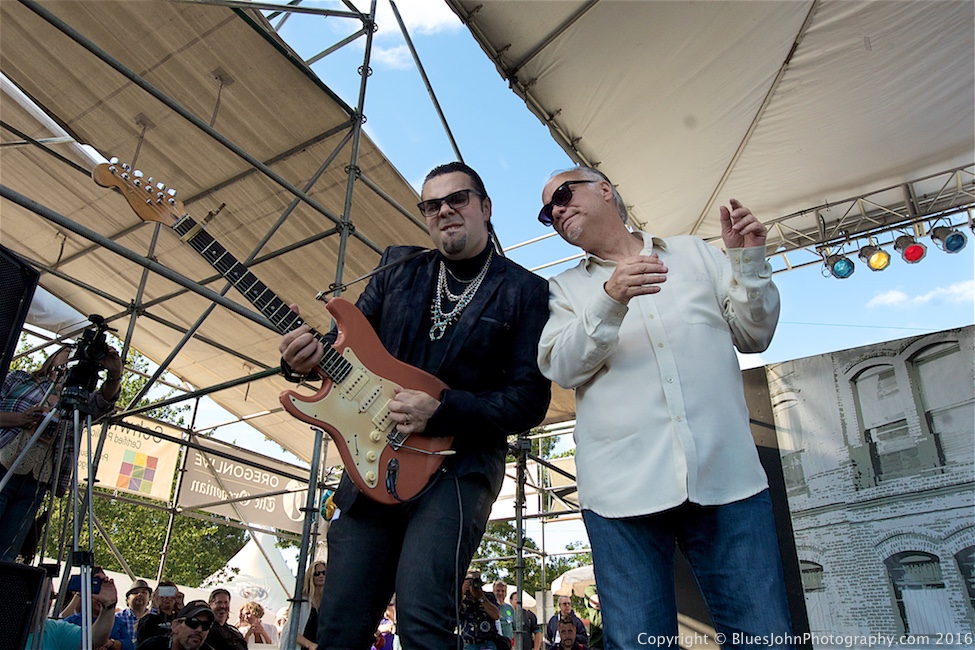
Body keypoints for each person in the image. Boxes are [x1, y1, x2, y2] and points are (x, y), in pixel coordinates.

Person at [279, 161, 551, 648]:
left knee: (422, 619)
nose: (444, 210)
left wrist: (442, 410)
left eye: (457, 199)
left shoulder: (525, 291)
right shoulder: (398, 269)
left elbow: (529, 400)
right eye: (431, 205)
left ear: (486, 207)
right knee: (338, 625)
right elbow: (343, 349)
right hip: (372, 464)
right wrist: (302, 361)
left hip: (457, 468)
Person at [536, 166, 792, 649]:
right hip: (621, 494)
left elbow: (754, 335)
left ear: (605, 190)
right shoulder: (563, 289)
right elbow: (561, 368)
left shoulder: (694, 254)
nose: (557, 210)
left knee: (764, 639)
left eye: (564, 195)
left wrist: (749, 263)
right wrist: (610, 299)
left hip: (727, 477)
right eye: (547, 212)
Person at [0, 344, 123, 561]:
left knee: (7, 552)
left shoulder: (78, 399)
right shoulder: (21, 379)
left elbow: (103, 403)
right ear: (53, 357)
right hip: (3, 466)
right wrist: (20, 419)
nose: (73, 356)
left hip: (36, 483)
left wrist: (115, 375)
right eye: (68, 351)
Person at [29, 575, 120, 650]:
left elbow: (93, 640)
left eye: (51, 596)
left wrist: (108, 605)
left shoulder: (56, 630)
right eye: (40, 595)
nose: (47, 601)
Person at [63, 569, 129, 650]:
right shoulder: (72, 620)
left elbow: (129, 645)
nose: (100, 600)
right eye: (95, 595)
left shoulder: (118, 623)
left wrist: (111, 643)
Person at [136, 601, 215, 650]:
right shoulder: (151, 647)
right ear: (175, 626)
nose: (199, 629)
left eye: (206, 625)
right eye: (193, 622)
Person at [459, 570, 502, 650]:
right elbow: (453, 617)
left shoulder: (489, 596)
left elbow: (496, 615)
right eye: (469, 582)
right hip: (468, 643)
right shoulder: (462, 600)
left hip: (488, 642)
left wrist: (481, 598)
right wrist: (461, 594)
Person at [117, 579, 153, 650]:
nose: (140, 594)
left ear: (149, 599)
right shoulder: (117, 618)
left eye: (144, 592)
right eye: (135, 592)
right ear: (127, 600)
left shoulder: (154, 620)